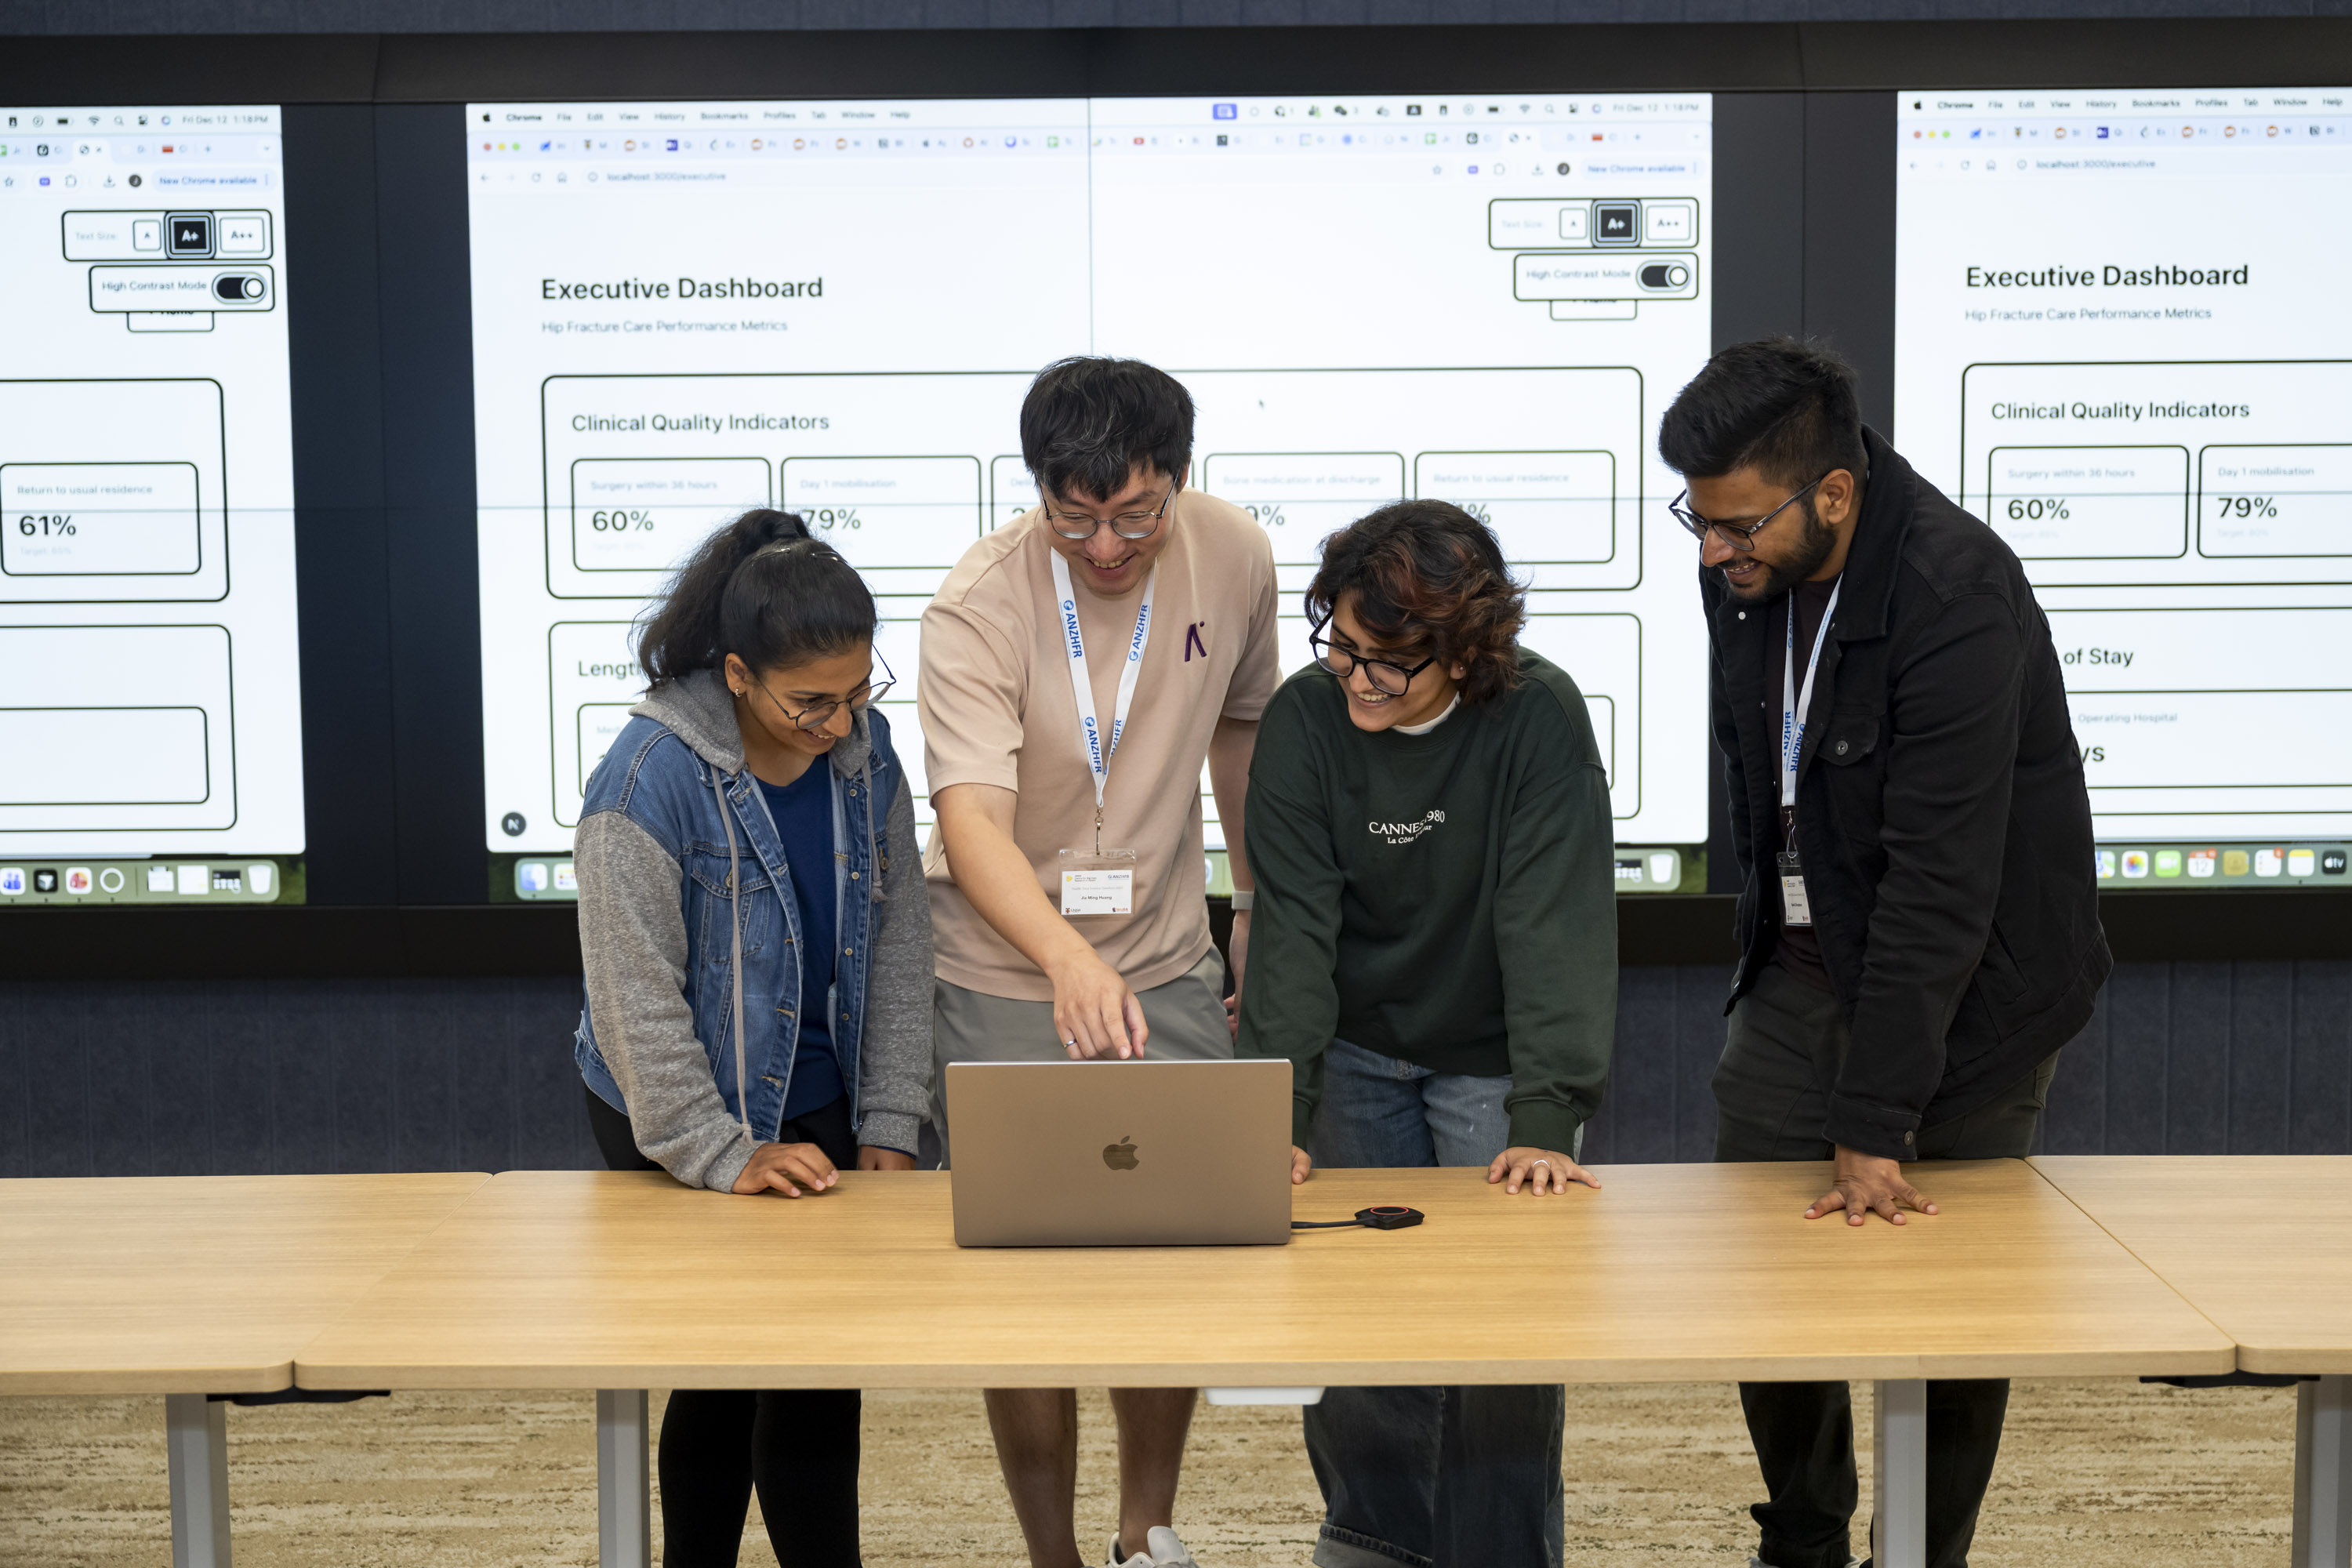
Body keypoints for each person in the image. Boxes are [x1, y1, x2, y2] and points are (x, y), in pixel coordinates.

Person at [1659, 338, 2110, 1568]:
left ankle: (1924, 1550)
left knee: (1949, 1299)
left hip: (1974, 994)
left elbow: (1942, 885)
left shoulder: (1956, 592)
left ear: (1835, 492)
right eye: (1698, 520)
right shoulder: (1746, 568)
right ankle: (1804, 1536)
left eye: (1738, 524)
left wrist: (1875, 1119)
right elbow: (1767, 777)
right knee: (1762, 1268)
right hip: (1803, 965)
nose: (1712, 551)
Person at [918, 356, 1281, 1568]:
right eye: (1075, 519)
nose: (1108, 546)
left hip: (1166, 957)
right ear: (1039, 492)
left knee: (1172, 1257)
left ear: (1177, 476)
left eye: (1135, 514)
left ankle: (1144, 1532)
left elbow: (1242, 731)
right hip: (1006, 968)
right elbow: (971, 819)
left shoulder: (1232, 553)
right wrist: (1067, 958)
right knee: (1024, 1284)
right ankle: (1052, 1555)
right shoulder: (978, 604)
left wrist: (1251, 900)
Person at [1234, 499, 1617, 1568]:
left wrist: (1545, 1117)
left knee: (1506, 1326)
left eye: (1391, 662)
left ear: (1467, 648)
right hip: (1355, 1051)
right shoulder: (1305, 720)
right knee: (1360, 1316)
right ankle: (1374, 1542)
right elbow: (1294, 930)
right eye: (1342, 646)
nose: (1357, 677)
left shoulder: (1537, 716)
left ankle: (1502, 1552)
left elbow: (1552, 921)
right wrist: (1277, 1114)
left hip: (1492, 1060)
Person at [571, 509, 935, 1568]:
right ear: (737, 675)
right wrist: (721, 1152)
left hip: (819, 1088)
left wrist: (890, 1116)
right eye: (810, 701)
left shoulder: (864, 754)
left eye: (858, 692)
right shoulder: (646, 778)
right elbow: (635, 1002)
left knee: (822, 1369)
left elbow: (901, 937)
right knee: (723, 1364)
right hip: (674, 1102)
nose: (839, 722)